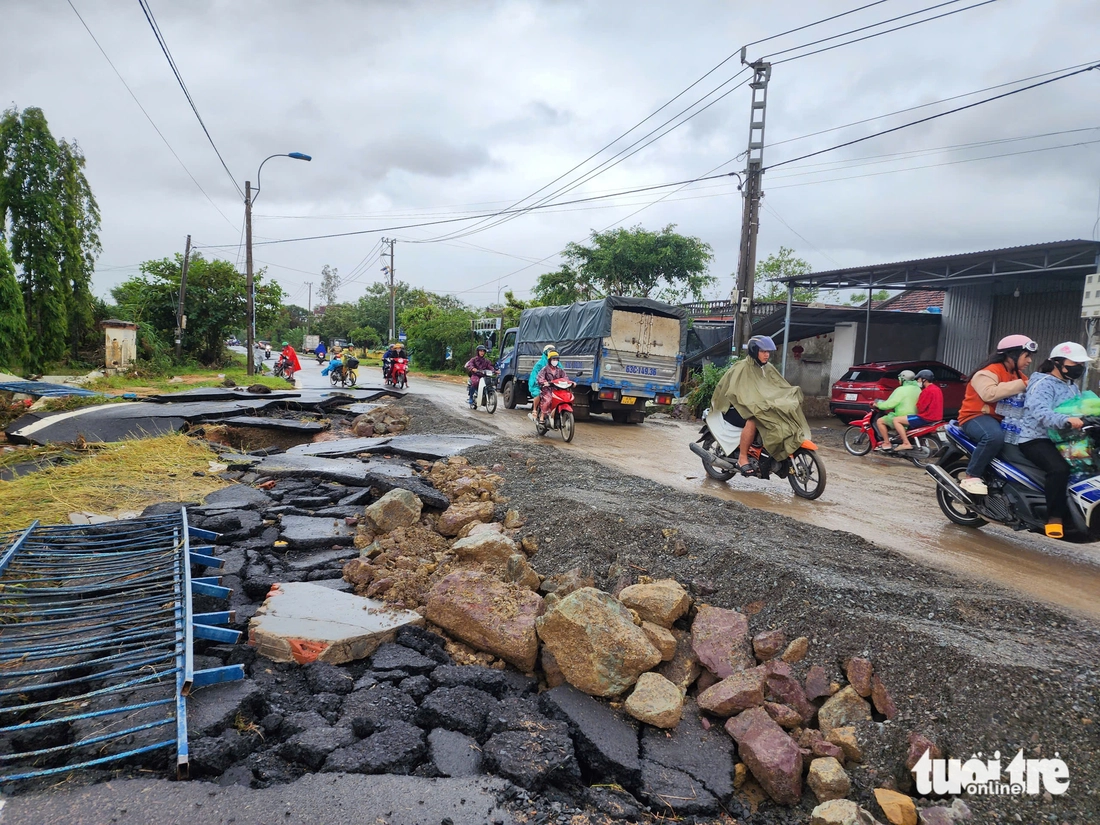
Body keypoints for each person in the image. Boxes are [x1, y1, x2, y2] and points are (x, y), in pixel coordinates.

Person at [709, 335, 811, 476]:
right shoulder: (742, 368)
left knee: (781, 416)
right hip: (735, 408)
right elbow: (736, 393)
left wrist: (790, 394)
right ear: (754, 351)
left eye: (768, 352)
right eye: (763, 351)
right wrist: (754, 403)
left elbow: (778, 387)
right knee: (753, 420)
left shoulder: (768, 368)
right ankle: (742, 457)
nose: (767, 355)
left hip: (758, 406)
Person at [1018, 342, 1088, 538]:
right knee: (1059, 469)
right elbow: (1041, 412)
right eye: (1075, 362)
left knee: (1089, 465)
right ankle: (1054, 518)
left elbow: (1079, 408)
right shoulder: (1042, 384)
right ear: (1057, 362)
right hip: (1036, 439)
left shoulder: (1071, 385)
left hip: (1063, 439)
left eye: (1082, 364)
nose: (1080, 368)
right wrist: (1066, 420)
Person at [956, 333, 1036, 495]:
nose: (1029, 361)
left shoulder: (1019, 375)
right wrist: (1023, 384)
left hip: (1004, 420)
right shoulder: (987, 373)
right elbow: (989, 394)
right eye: (1026, 356)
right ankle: (972, 475)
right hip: (975, 417)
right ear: (1011, 354)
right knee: (993, 437)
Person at [888, 368, 946, 451]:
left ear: (924, 380)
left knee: (896, 420)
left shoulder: (927, 391)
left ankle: (906, 443)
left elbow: (921, 407)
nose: (918, 381)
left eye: (918, 379)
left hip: (926, 417)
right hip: (937, 418)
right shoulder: (937, 389)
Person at [873, 370, 920, 451]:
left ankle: (887, 443)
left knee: (880, 421)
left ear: (903, 380)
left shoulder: (900, 390)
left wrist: (878, 405)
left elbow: (890, 404)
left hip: (901, 416)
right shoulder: (918, 389)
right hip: (915, 416)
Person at [534, 351, 568, 424]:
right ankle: (542, 416)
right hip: (547, 389)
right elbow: (540, 378)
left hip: (557, 389)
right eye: (553, 359)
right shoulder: (545, 369)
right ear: (549, 360)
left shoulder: (560, 370)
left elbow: (565, 378)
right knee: (548, 400)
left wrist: (570, 382)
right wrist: (544, 382)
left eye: (556, 359)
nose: (555, 361)